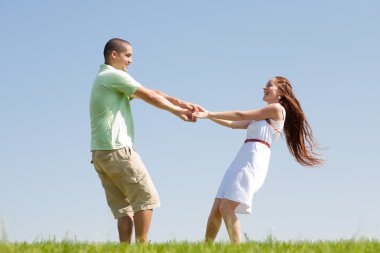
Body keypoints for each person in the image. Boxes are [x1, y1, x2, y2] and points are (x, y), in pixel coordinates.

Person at [90, 38, 198, 244]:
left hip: (99, 153)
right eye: (128, 55)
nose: (131, 60)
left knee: (123, 210)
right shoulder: (114, 76)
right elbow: (148, 95)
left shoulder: (104, 77)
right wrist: (178, 112)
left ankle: (124, 249)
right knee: (146, 200)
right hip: (117, 150)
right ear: (114, 55)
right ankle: (142, 247)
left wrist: (181, 102)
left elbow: (151, 92)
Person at [193, 76, 323, 243]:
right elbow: (233, 123)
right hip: (242, 158)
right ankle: (205, 247)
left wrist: (208, 114)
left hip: (254, 159)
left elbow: (239, 115)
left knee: (226, 207)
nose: (264, 88)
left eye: (269, 85)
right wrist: (207, 114)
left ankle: (237, 248)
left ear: (281, 93)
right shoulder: (262, 115)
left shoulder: (276, 109)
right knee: (217, 208)